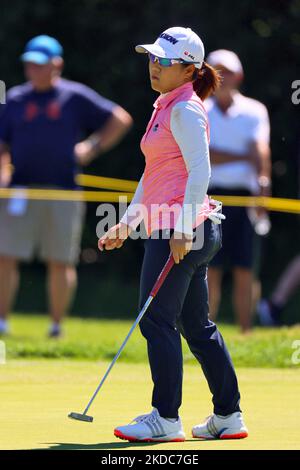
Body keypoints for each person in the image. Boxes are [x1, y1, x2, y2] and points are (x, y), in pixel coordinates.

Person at [98, 27, 248, 443]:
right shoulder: (166, 105)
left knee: (157, 321)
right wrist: (127, 224)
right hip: (182, 229)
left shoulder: (184, 109)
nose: (154, 66)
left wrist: (181, 230)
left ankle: (165, 418)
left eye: (163, 61)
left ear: (188, 70)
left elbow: (201, 172)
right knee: (196, 326)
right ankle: (228, 416)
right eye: (151, 58)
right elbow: (154, 174)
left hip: (181, 230)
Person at [0, 35, 133, 337]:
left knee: (60, 260)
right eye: (29, 64)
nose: (32, 69)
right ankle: (2, 324)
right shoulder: (16, 98)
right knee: (4, 256)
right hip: (19, 190)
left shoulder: (74, 96)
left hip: (63, 191)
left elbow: (120, 119)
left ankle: (56, 327)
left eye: (39, 64)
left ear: (56, 65)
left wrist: (92, 147)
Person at [205, 49, 271, 333]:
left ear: (239, 76)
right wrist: (243, 157)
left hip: (245, 198)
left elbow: (261, 151)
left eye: (228, 71)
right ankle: (204, 332)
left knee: (245, 269)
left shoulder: (255, 110)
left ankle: (246, 333)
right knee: (210, 269)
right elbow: (206, 155)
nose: (223, 77)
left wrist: (263, 187)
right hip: (208, 198)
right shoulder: (198, 108)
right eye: (217, 70)